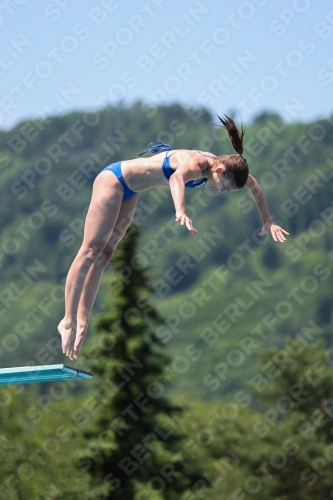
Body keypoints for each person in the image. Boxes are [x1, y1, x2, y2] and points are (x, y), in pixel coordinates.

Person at [58, 115, 289, 361]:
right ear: (220, 170)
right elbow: (177, 178)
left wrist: (268, 220)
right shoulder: (197, 163)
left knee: (104, 256)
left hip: (131, 191)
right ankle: (68, 320)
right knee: (91, 250)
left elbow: (253, 186)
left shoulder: (229, 166)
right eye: (223, 187)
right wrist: (181, 210)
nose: (220, 191)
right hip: (114, 180)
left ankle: (82, 319)